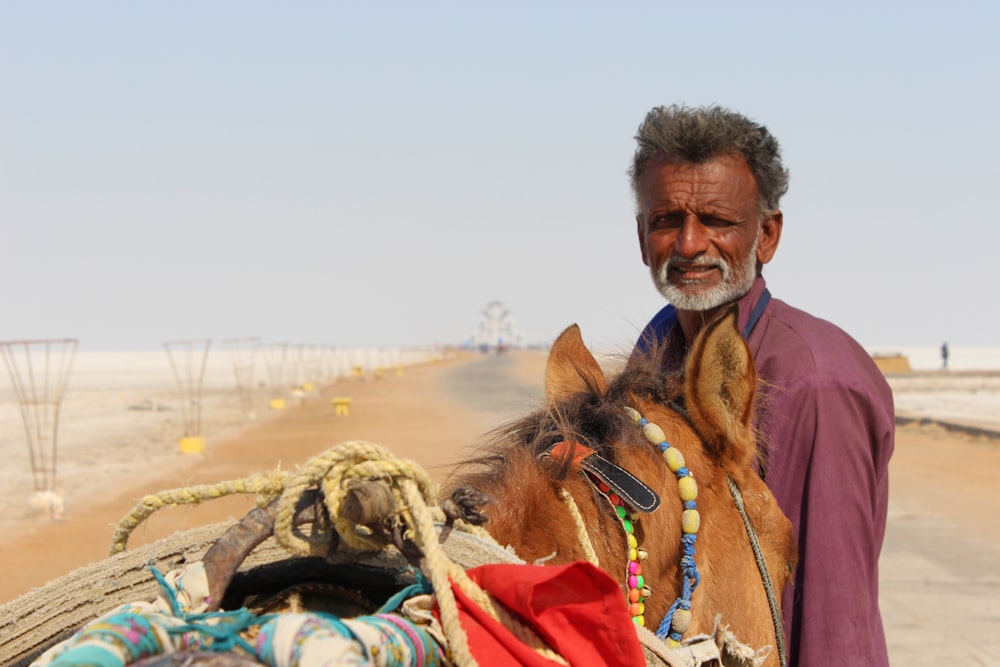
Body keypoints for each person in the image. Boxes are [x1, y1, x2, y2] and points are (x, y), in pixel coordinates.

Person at [628, 104, 894, 666]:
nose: (690, 244)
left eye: (718, 221)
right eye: (667, 220)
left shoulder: (815, 383)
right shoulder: (659, 341)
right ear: (641, 233)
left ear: (766, 235)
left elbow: (827, 609)